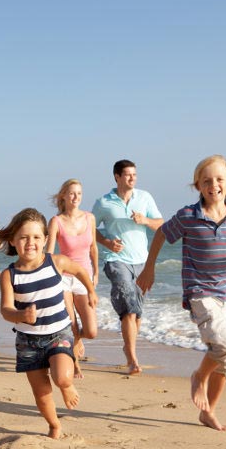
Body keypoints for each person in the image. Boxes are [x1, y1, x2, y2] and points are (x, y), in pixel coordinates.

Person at [136, 155, 226, 431]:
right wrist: (149, 268)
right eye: (206, 181)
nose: (213, 184)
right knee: (223, 344)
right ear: (197, 186)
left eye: (219, 179)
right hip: (200, 291)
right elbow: (160, 234)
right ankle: (198, 376)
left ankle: (209, 411)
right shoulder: (188, 216)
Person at [0, 208, 97, 439]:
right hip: (28, 341)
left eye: (36, 237)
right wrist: (20, 316)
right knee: (41, 391)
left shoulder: (56, 262)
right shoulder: (10, 275)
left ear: (46, 239)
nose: (31, 242)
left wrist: (90, 291)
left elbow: (79, 270)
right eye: (24, 237)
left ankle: (67, 386)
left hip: (59, 333)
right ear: (13, 240)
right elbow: (6, 309)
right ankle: (54, 425)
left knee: (61, 377)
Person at [92, 159, 163, 375]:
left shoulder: (145, 197)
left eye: (135, 174)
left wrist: (145, 221)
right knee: (129, 309)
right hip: (116, 261)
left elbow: (161, 224)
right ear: (117, 177)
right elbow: (90, 228)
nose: (133, 178)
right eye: (128, 175)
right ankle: (132, 359)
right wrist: (106, 243)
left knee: (137, 312)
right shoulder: (104, 202)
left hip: (141, 261)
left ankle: (128, 345)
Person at [46, 179, 99, 378]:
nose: (76, 197)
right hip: (63, 278)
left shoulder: (89, 218)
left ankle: (77, 339)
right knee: (71, 324)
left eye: (79, 193)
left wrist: (96, 273)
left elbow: (93, 247)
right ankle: (75, 364)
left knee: (91, 330)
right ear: (63, 196)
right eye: (72, 193)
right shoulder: (56, 221)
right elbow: (50, 253)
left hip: (83, 276)